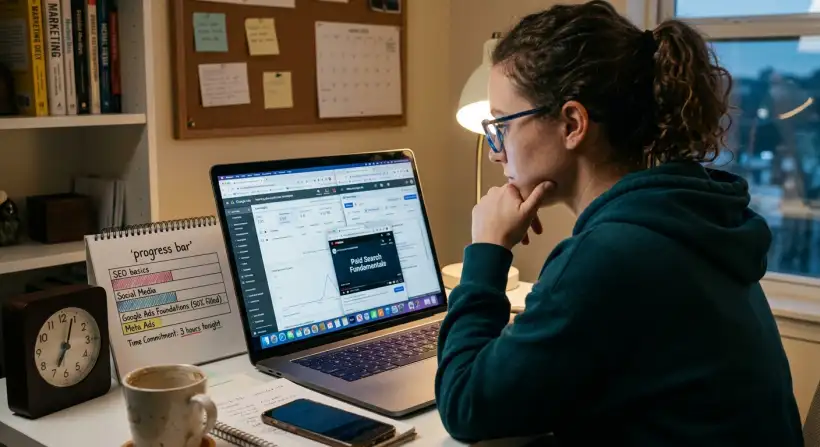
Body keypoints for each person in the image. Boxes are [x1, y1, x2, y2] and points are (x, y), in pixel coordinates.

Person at [435, 2, 803, 445]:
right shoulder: (684, 214)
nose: (496, 151)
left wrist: (488, 252)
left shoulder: (612, 254)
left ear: (572, 123)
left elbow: (465, 405)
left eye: (502, 126)